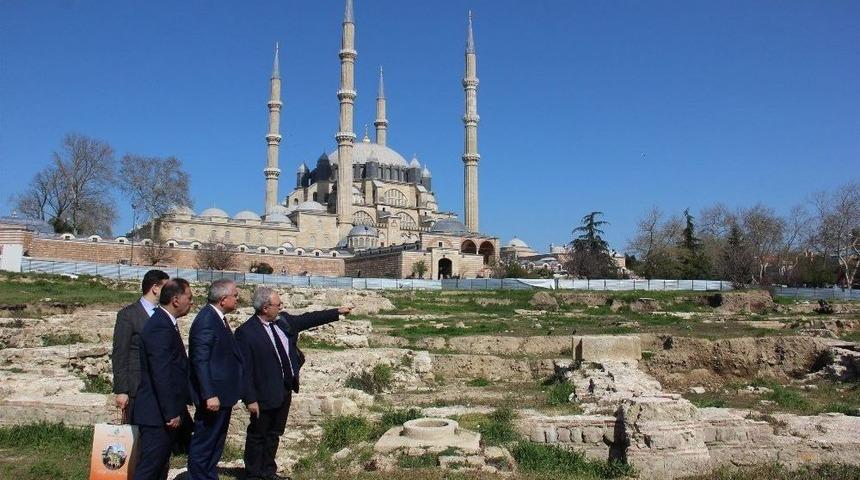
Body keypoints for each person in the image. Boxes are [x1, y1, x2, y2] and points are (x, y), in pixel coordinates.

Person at [235, 286, 352, 480]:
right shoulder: (246, 332)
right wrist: (249, 398)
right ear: (265, 308)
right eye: (277, 304)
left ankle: (268, 472)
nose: (281, 307)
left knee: (274, 433)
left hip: (284, 388)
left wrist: (336, 312)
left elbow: (308, 318)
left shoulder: (284, 322)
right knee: (258, 435)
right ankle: (253, 475)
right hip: (263, 392)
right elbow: (244, 370)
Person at [132, 278, 194, 480]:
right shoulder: (159, 326)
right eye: (189, 298)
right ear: (176, 300)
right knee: (150, 467)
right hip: (156, 414)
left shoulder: (166, 323)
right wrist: (171, 412)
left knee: (160, 467)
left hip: (161, 412)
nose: (191, 302)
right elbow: (162, 373)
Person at [187, 279, 244, 480]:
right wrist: (209, 394)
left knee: (216, 442)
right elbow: (200, 360)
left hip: (223, 394)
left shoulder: (218, 318)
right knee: (205, 442)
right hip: (213, 396)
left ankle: (208, 475)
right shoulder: (206, 320)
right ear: (222, 299)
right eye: (235, 295)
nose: (238, 299)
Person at [112, 269, 169, 420]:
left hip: (159, 387)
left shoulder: (163, 315)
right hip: (136, 388)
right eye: (166, 288)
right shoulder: (128, 315)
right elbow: (120, 353)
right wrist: (122, 390)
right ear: (155, 288)